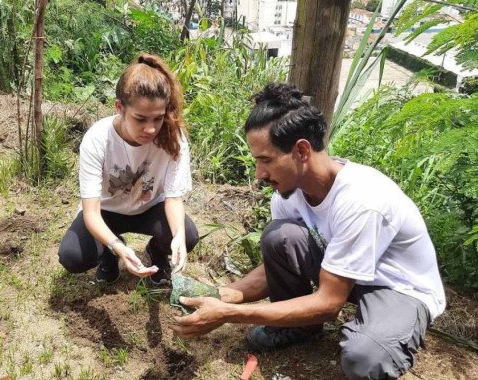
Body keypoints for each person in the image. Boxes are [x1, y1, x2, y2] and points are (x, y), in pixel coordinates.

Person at [170, 83, 446, 379]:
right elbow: (275, 264)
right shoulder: (290, 193)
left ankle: (380, 331)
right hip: (345, 273)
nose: (259, 174)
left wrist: (231, 315)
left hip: (397, 288)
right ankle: (299, 327)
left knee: (364, 358)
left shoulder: (362, 201)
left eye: (266, 160)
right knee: (279, 235)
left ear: (301, 150)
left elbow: (329, 303)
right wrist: (227, 295)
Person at [58, 53, 199, 286]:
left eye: (158, 118)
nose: (151, 129)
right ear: (119, 108)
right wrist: (118, 248)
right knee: (72, 256)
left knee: (188, 234)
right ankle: (109, 253)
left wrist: (179, 237)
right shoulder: (98, 139)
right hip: (107, 211)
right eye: (140, 119)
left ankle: (156, 251)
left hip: (150, 208)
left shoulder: (173, 139)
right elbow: (91, 212)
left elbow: (173, 198)